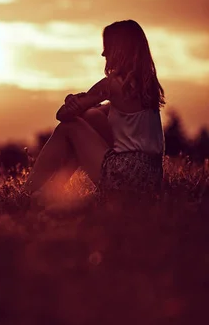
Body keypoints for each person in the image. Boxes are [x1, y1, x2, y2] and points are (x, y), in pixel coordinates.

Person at [23, 20, 166, 206]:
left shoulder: (112, 84)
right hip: (150, 178)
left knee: (70, 127)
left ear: (118, 50)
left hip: (125, 173)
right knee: (91, 117)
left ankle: (29, 191)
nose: (103, 53)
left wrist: (74, 102)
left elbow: (63, 115)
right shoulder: (146, 87)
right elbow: (94, 114)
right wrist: (82, 105)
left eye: (107, 47)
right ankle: (51, 191)